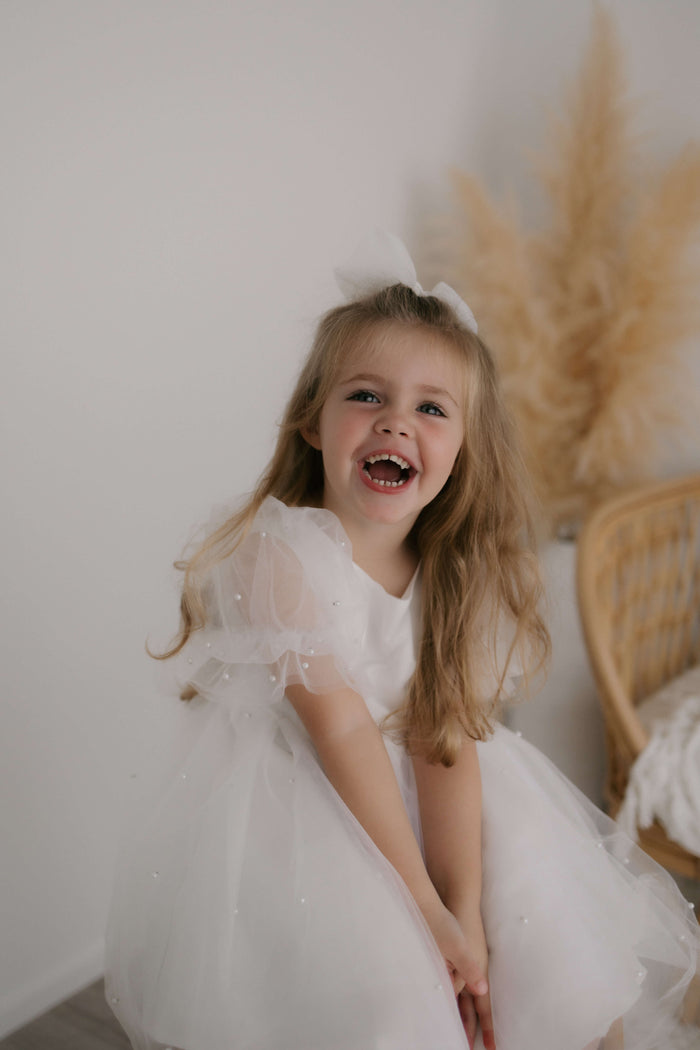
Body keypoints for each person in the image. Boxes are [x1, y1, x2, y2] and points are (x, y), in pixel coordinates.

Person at [105, 231, 699, 1050]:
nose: (395, 422)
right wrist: (425, 913)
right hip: (315, 804)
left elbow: (443, 740)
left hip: (427, 790)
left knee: (537, 903)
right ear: (313, 423)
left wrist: (466, 921)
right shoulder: (282, 558)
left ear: (459, 451)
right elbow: (344, 731)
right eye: (365, 397)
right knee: (392, 989)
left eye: (430, 407)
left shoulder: (451, 572)